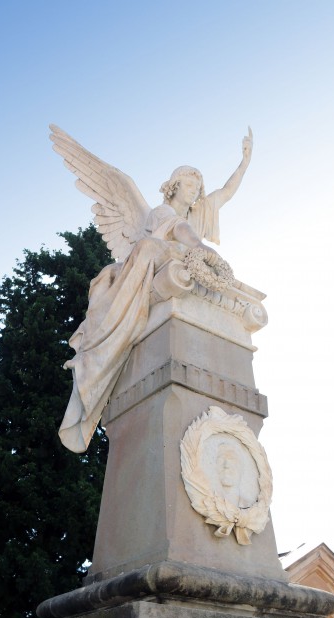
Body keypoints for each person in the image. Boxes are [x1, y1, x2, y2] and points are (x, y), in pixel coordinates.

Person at [57, 131, 253, 453]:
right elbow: (179, 231)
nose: (195, 192)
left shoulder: (199, 213)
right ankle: (110, 330)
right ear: (174, 186)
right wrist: (199, 246)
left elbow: (227, 192)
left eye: (198, 188)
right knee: (149, 246)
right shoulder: (159, 214)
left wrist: (244, 162)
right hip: (157, 258)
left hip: (185, 262)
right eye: (189, 185)